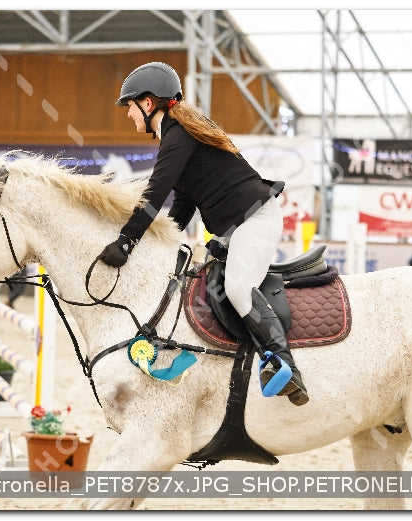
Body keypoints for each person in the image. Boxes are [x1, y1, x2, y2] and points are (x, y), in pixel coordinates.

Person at [98, 62, 308, 406]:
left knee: (237, 288)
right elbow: (182, 204)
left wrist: (127, 241)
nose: (128, 114)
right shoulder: (177, 134)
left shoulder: (179, 134)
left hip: (255, 220)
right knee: (198, 288)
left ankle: (285, 365)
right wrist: (160, 243)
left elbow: (155, 194)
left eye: (130, 107)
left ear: (148, 103)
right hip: (233, 228)